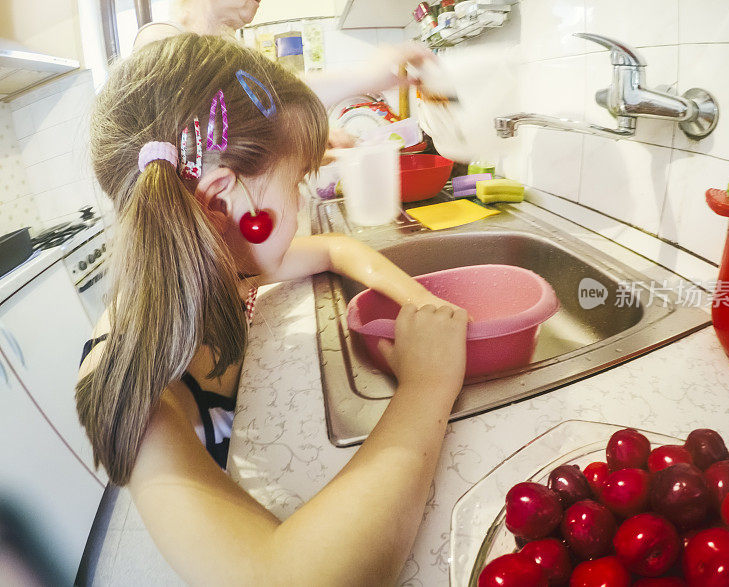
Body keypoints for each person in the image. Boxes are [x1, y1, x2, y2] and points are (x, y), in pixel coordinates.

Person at [76, 33, 468, 584]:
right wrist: (427, 385)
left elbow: (336, 247)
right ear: (221, 201)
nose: (306, 199)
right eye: (297, 182)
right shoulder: (135, 392)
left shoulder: (223, 260)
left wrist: (424, 307)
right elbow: (285, 576)